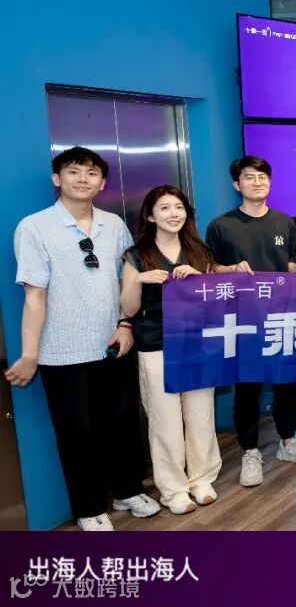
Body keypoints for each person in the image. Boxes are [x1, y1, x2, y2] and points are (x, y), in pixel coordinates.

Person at [10, 147, 159, 530]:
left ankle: (128, 491)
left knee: (123, 424)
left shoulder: (114, 224)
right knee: (77, 434)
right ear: (56, 179)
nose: (82, 179)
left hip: (113, 343)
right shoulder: (34, 227)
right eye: (73, 171)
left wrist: (125, 325)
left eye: (91, 173)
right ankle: (89, 509)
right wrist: (30, 354)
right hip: (62, 351)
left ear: (102, 182)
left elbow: (126, 282)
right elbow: (34, 297)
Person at [205, 156, 296, 487]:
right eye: (249, 177)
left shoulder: (285, 222)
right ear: (236, 184)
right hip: (243, 319)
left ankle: (288, 441)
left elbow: (288, 264)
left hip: (283, 316)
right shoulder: (221, 226)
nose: (257, 183)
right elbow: (208, 269)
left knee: (286, 384)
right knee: (248, 387)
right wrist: (230, 269)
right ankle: (250, 451)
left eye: (262, 177)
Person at [119, 185, 222, 514]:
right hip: (155, 344)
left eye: (178, 207)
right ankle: (173, 489)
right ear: (150, 216)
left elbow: (215, 301)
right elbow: (128, 308)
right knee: (164, 420)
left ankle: (202, 478)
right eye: (164, 208)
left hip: (197, 343)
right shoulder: (136, 255)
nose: (173, 214)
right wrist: (139, 280)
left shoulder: (199, 251)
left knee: (201, 414)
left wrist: (198, 280)